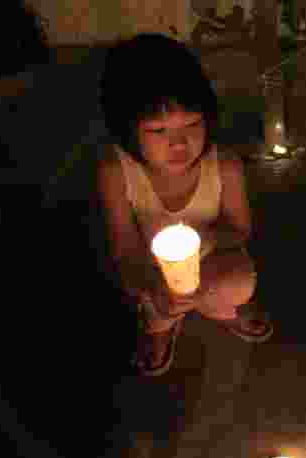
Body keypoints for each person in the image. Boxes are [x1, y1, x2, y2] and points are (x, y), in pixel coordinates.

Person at [97, 33, 273, 377]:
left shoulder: (224, 165)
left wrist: (204, 244)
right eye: (158, 130)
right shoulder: (115, 170)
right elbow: (125, 249)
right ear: (127, 131)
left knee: (237, 283)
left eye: (192, 124)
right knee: (147, 294)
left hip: (211, 258)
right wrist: (154, 287)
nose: (179, 142)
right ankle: (160, 325)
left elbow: (239, 229)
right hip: (151, 268)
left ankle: (219, 307)